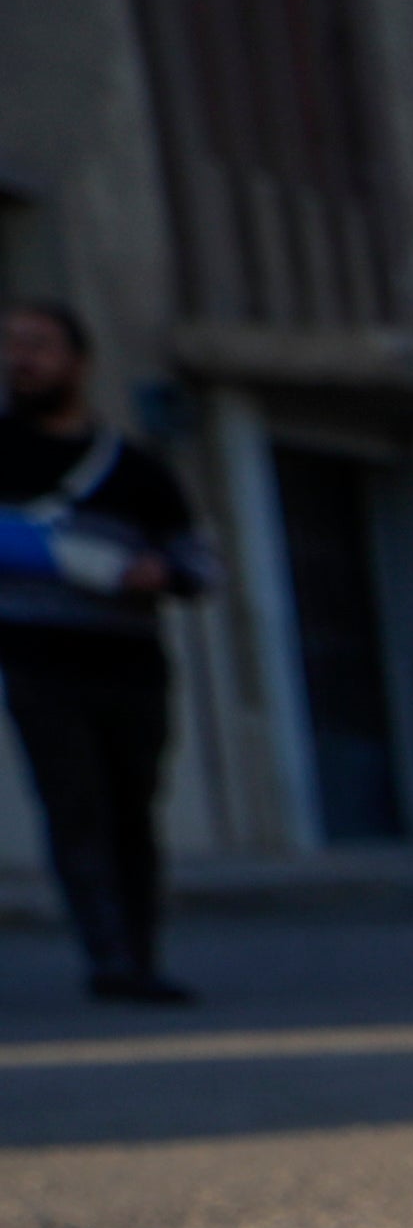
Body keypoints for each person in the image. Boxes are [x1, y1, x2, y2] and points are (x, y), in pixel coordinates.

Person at [1, 300, 216, 1008]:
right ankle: (110, 960)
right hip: (38, 663)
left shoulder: (136, 469)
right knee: (74, 808)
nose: (22, 359)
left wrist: (162, 574)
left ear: (79, 361)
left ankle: (142, 955)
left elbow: (199, 564)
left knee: (132, 808)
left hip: (129, 661)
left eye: (39, 345)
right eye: (11, 347)